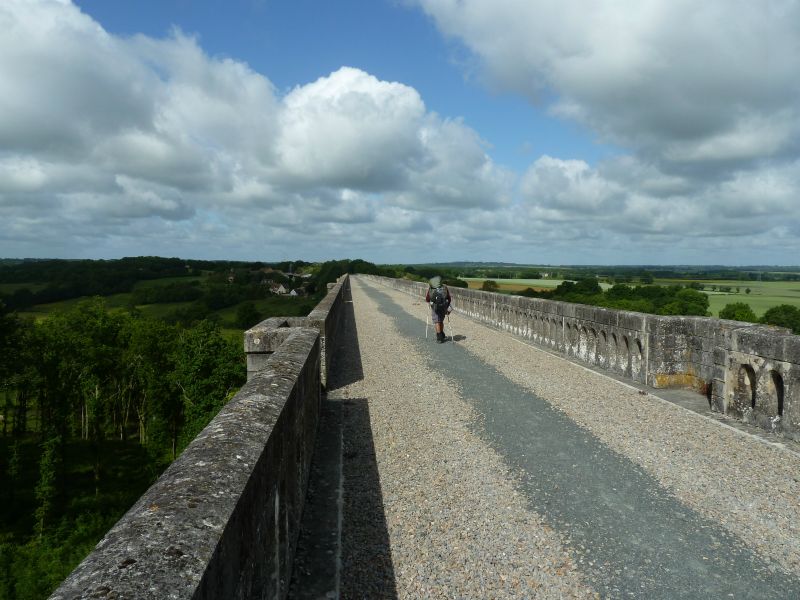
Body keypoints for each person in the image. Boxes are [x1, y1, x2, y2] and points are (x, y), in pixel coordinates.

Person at [426, 276, 451, 343]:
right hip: (443, 306)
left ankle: (439, 338)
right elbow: (448, 298)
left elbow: (427, 299)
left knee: (437, 321)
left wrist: (430, 302)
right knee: (441, 321)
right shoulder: (444, 287)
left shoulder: (431, 288)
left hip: (435, 307)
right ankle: (442, 335)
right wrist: (447, 306)